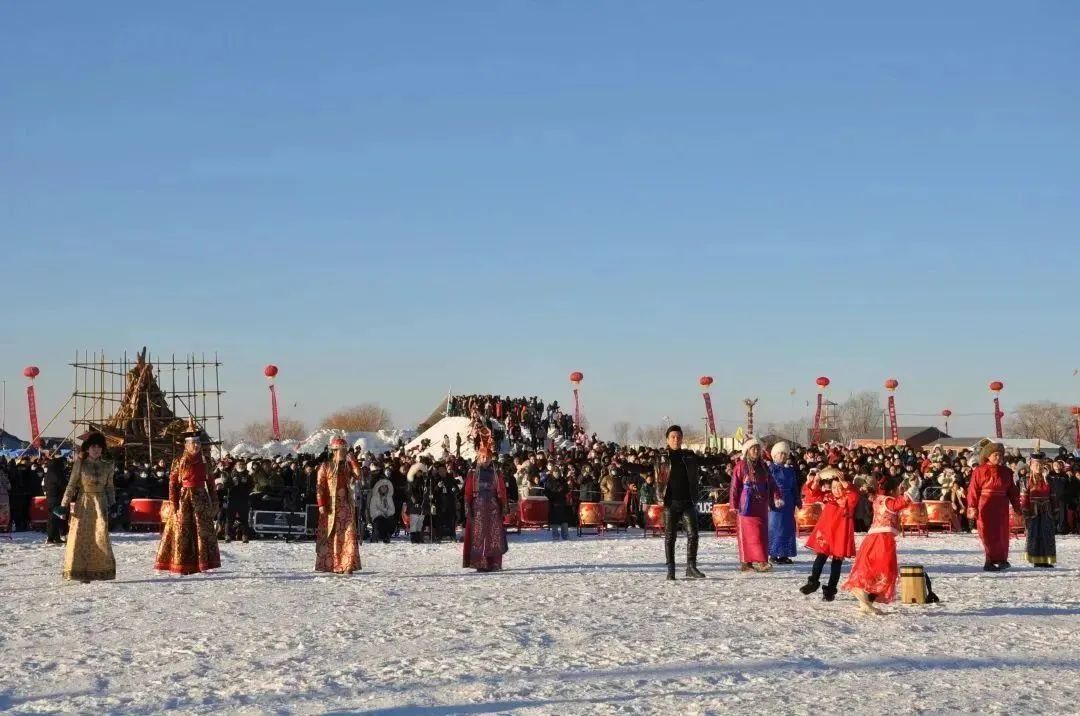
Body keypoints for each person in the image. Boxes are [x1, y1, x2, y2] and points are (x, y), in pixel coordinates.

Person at [842, 475, 928, 614]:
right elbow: (903, 501)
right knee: (884, 571)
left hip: (875, 537)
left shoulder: (878, 498)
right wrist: (913, 486)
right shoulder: (888, 501)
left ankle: (866, 602)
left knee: (875, 569)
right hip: (882, 540)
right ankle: (862, 593)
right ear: (893, 489)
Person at [651, 425, 725, 581]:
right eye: (673, 437)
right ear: (667, 439)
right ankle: (671, 569)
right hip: (670, 502)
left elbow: (707, 460)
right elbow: (643, 468)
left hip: (688, 501)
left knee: (693, 535)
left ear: (682, 439)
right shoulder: (661, 458)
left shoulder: (689, 456)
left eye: (678, 436)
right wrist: (622, 464)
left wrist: (725, 458)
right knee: (670, 537)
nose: (676, 439)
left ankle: (691, 567)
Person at [155, 419, 221, 575]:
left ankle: (203, 563)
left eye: (198, 443)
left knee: (201, 531)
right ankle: (181, 564)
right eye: (192, 443)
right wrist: (174, 503)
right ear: (186, 445)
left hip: (201, 499)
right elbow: (172, 484)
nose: (196, 446)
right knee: (181, 531)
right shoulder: (179, 461)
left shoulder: (205, 461)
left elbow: (211, 484)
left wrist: (215, 501)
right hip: (184, 498)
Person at [800, 457, 859, 602]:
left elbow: (854, 496)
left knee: (836, 563)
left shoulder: (848, 499)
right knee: (820, 558)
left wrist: (845, 484)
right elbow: (811, 495)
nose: (836, 490)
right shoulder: (828, 498)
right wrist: (816, 480)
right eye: (833, 487)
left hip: (840, 534)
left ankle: (830, 590)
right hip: (826, 534)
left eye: (839, 487)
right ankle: (813, 582)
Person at [59, 432, 116, 582]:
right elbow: (71, 485)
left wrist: (113, 503)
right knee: (81, 537)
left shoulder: (108, 465)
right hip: (84, 502)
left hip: (101, 503)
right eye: (93, 446)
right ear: (88, 448)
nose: (96, 449)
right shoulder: (81, 464)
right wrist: (64, 504)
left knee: (100, 536)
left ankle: (99, 570)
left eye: (99, 447)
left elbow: (110, 487)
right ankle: (80, 571)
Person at [967, 442, 1021, 571]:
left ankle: (1002, 559)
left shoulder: (1006, 472)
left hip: (1001, 506)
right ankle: (989, 560)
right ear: (988, 456)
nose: (998, 457)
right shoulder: (980, 471)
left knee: (1002, 533)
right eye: (995, 455)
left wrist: (1017, 507)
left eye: (1000, 455)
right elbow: (973, 490)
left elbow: (1012, 491)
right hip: (985, 505)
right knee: (987, 533)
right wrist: (972, 506)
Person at [730, 439, 782, 572]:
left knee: (761, 534)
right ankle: (746, 563)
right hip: (746, 503)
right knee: (747, 534)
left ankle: (762, 561)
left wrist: (776, 496)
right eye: (753, 448)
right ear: (747, 450)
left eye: (758, 448)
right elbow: (735, 487)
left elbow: (772, 484)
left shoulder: (764, 466)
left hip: (761, 503)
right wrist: (734, 504)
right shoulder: (740, 466)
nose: (756, 451)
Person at [462, 430, 508, 572]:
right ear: (478, 457)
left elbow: (502, 491)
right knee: (478, 536)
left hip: (493, 508)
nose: (485, 460)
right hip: (478, 508)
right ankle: (479, 563)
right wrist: (467, 506)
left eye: (487, 457)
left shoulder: (497, 472)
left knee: (493, 536)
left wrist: (504, 506)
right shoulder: (472, 473)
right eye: (482, 457)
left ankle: (493, 563)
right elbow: (468, 491)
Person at [315, 437, 362, 573]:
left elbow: (359, 475)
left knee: (349, 535)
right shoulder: (325, 466)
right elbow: (320, 487)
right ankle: (332, 564)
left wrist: (352, 459)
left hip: (345, 506)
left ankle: (347, 564)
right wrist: (321, 504)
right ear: (334, 451)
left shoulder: (347, 467)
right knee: (332, 536)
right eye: (341, 450)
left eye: (345, 450)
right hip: (330, 508)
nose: (343, 453)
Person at [768, 441, 801, 565]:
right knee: (775, 528)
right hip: (775, 502)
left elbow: (794, 487)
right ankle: (773, 553)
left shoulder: (790, 470)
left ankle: (784, 554)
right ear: (774, 455)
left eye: (784, 453)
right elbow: (767, 487)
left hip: (789, 502)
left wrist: (797, 501)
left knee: (788, 528)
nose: (782, 456)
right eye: (780, 453)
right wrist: (769, 500)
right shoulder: (770, 469)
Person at [1021, 452, 1056, 568]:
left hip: (1046, 511)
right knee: (1035, 535)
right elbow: (1024, 498)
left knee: (1047, 534)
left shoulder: (1048, 479)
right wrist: (1025, 513)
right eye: (1036, 465)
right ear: (1031, 465)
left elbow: (1053, 496)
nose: (1039, 467)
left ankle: (1046, 559)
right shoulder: (1026, 480)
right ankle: (1036, 559)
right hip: (1033, 512)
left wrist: (1055, 510)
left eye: (1041, 464)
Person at [43, 452, 68, 544]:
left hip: (50, 497)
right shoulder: (56, 473)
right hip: (56, 497)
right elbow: (62, 483)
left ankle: (53, 537)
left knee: (52, 518)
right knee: (55, 518)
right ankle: (52, 537)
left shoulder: (49, 472)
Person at [368, 476, 396, 543]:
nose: (384, 488)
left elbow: (392, 509)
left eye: (385, 487)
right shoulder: (375, 497)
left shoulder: (389, 497)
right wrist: (381, 513)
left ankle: (386, 536)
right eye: (382, 487)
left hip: (386, 516)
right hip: (377, 516)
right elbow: (373, 509)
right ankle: (377, 536)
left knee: (391, 521)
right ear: (379, 488)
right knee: (380, 521)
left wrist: (387, 513)